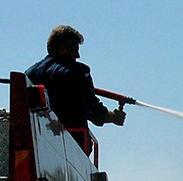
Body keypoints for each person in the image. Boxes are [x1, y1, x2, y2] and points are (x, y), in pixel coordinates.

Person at [25, 25, 125, 154]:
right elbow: (91, 108)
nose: (78, 55)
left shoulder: (29, 74)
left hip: (37, 144)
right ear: (62, 49)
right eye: (75, 50)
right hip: (71, 146)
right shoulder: (77, 72)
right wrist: (113, 117)